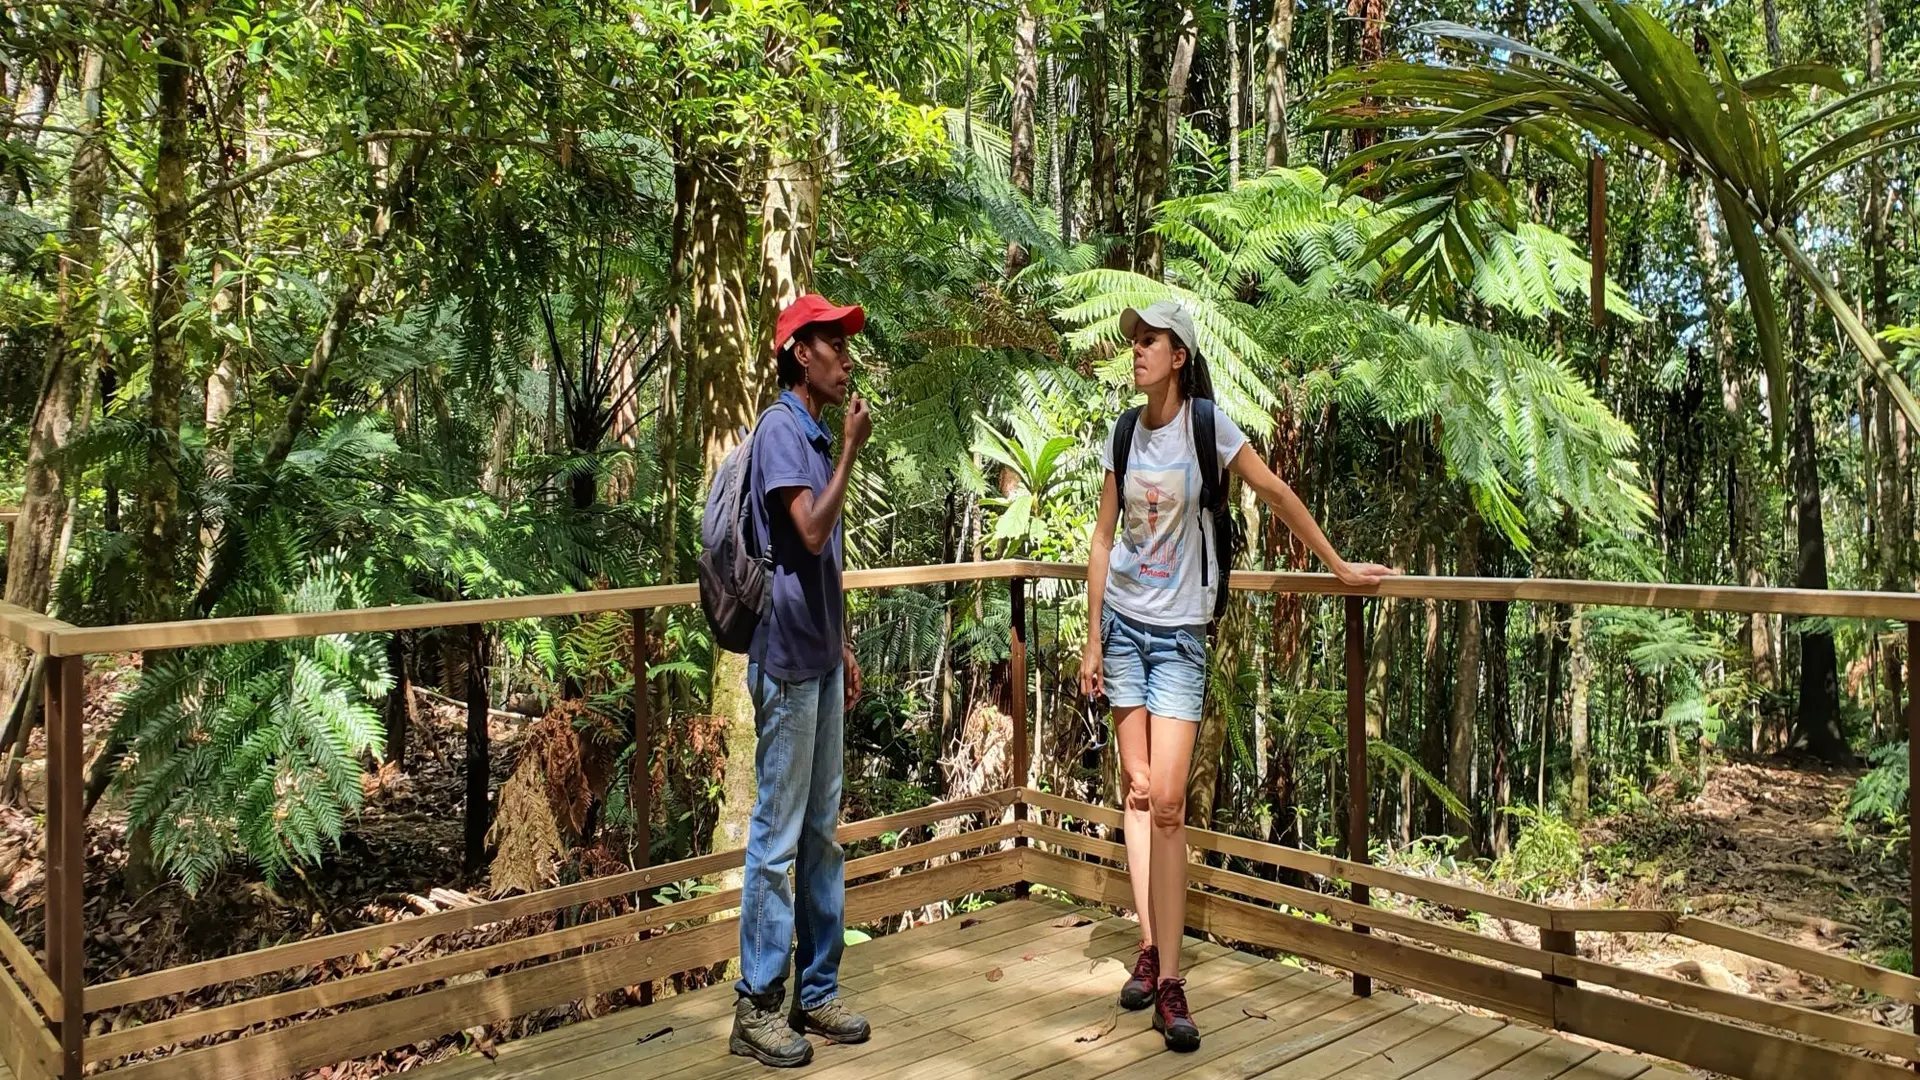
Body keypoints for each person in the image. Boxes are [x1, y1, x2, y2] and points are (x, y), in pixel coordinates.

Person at [1079, 299, 1396, 1053]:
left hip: (1181, 636)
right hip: (1122, 628)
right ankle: (1149, 951)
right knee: (1133, 789)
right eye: (1134, 344)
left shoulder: (1206, 426)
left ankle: (1174, 982)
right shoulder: (1124, 432)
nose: (1136, 354)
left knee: (1167, 802)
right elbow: (1101, 540)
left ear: (1179, 354)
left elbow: (1276, 492)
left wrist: (1340, 567)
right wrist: (1091, 640)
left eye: (1149, 343)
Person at [730, 293, 874, 1069]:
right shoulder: (787, 430)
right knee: (777, 839)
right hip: (784, 661)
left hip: (818, 655)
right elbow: (810, 528)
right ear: (798, 355)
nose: (845, 358)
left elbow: (826, 559)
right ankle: (755, 1006)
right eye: (832, 344)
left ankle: (814, 994)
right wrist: (850, 449)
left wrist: (845, 644)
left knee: (821, 835)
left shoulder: (814, 433)